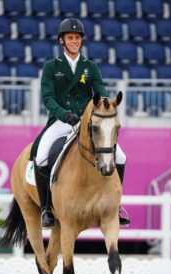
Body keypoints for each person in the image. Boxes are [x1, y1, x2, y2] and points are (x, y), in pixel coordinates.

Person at [32, 18, 130, 229]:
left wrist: (106, 104)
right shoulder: (51, 67)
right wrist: (64, 114)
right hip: (61, 121)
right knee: (40, 157)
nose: (74, 41)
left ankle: (117, 207)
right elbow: (47, 98)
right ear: (62, 40)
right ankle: (47, 209)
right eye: (70, 38)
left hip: (88, 123)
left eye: (77, 38)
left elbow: (100, 90)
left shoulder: (90, 67)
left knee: (120, 156)